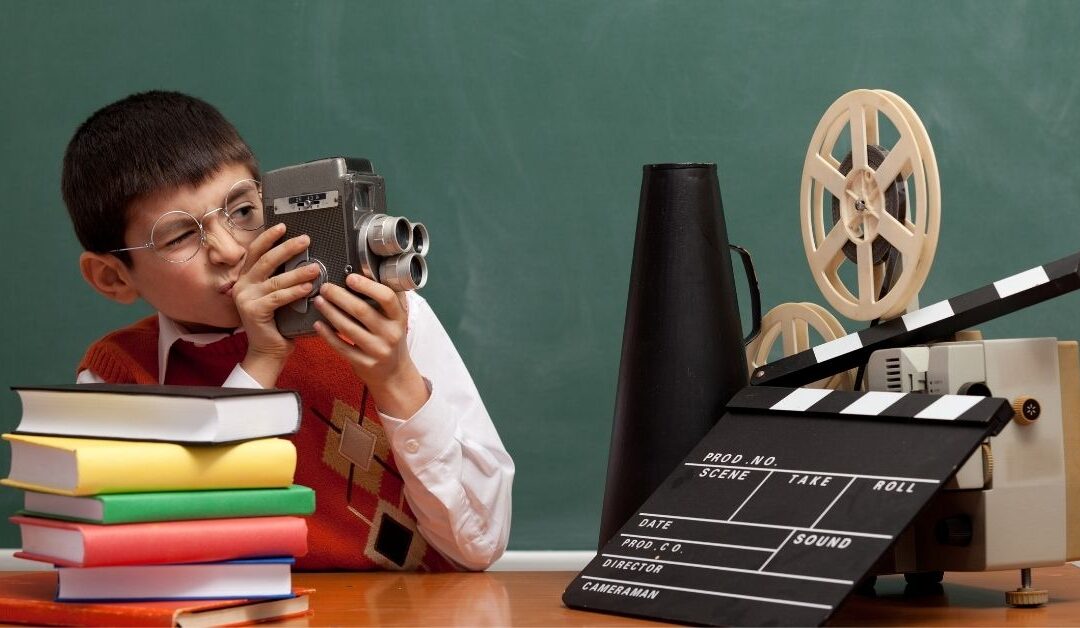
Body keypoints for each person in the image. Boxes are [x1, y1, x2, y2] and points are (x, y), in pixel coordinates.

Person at [62, 90, 514, 571]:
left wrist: (395, 376)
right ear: (112, 278)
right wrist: (261, 362)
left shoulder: (385, 320)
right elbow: (157, 560)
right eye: (179, 236)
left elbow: (478, 545)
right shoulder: (117, 376)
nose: (230, 251)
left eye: (242, 212)